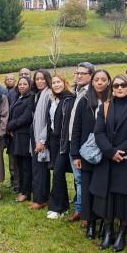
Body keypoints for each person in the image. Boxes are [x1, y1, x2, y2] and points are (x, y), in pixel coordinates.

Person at [90, 74, 127, 252]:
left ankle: (122, 235)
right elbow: (98, 132)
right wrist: (110, 152)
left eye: (123, 85)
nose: (119, 88)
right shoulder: (106, 106)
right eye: (115, 85)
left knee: (125, 198)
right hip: (109, 160)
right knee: (108, 197)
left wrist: (121, 151)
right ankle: (108, 232)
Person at [71, 69, 111, 240]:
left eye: (103, 79)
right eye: (97, 80)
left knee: (103, 190)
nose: (100, 82)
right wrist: (76, 155)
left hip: (106, 153)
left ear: (109, 82)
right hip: (87, 153)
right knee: (87, 189)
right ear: (92, 82)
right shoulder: (85, 100)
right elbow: (76, 129)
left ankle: (103, 222)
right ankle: (90, 223)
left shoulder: (113, 101)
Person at [65, 63, 94, 223]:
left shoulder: (91, 93)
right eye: (77, 73)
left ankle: (84, 212)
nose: (79, 76)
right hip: (72, 141)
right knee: (78, 179)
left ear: (91, 75)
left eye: (83, 73)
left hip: (85, 145)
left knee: (83, 179)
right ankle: (80, 208)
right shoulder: (75, 92)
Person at [46, 75, 76, 219]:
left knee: (58, 173)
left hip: (64, 142)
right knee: (58, 174)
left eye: (58, 82)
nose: (56, 85)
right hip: (54, 141)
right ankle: (63, 206)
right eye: (53, 83)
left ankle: (56, 208)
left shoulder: (69, 99)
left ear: (65, 83)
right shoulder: (55, 99)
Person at [6, 77, 35, 203]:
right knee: (19, 165)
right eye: (20, 84)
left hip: (24, 136)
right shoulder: (19, 97)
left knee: (25, 167)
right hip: (16, 136)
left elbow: (27, 117)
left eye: (25, 84)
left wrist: (10, 125)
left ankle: (26, 192)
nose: (22, 86)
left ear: (29, 85)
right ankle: (22, 190)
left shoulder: (31, 98)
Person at [28, 69, 52, 209]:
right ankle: (41, 197)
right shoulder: (38, 95)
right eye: (37, 79)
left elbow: (50, 120)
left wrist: (42, 140)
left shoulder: (48, 94)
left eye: (42, 78)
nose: (40, 81)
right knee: (37, 169)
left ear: (47, 79)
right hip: (35, 135)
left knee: (41, 170)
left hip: (42, 138)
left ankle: (40, 200)